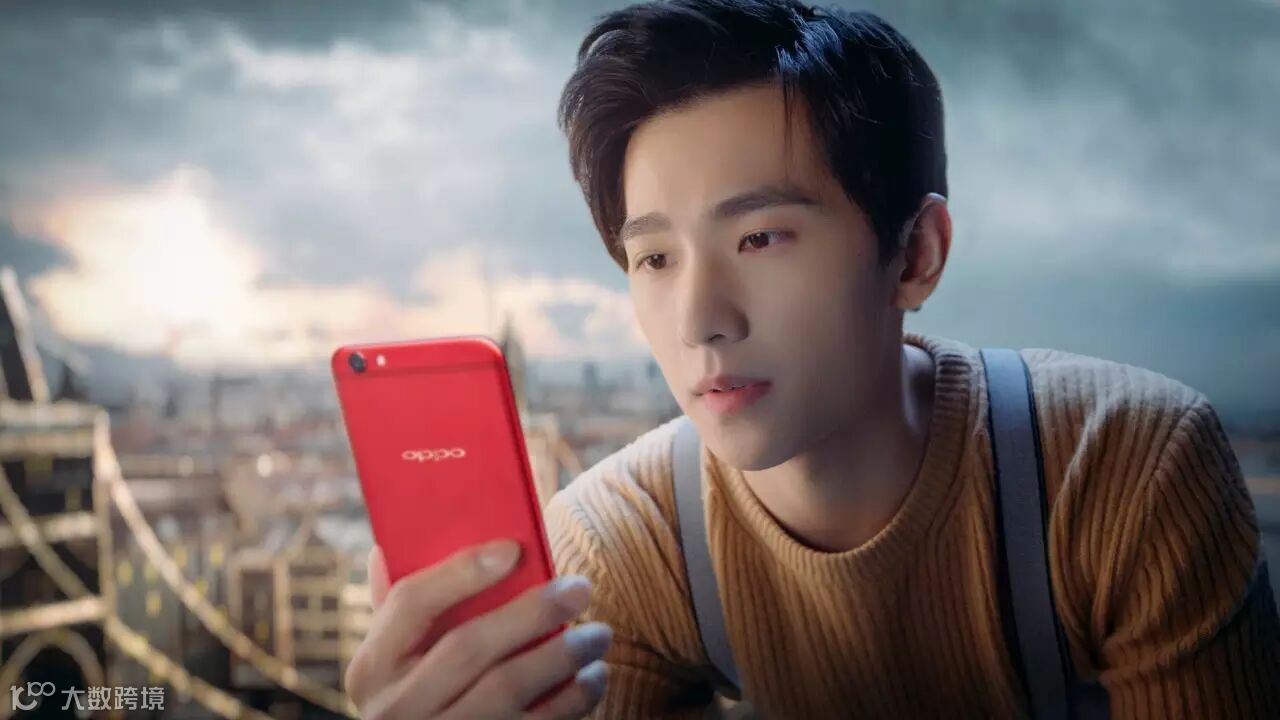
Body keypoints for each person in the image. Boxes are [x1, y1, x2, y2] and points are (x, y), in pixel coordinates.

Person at [343, 1, 1280, 718]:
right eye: (655, 259)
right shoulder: (617, 546)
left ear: (915, 256)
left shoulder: (1124, 468)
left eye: (761, 239)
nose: (700, 321)